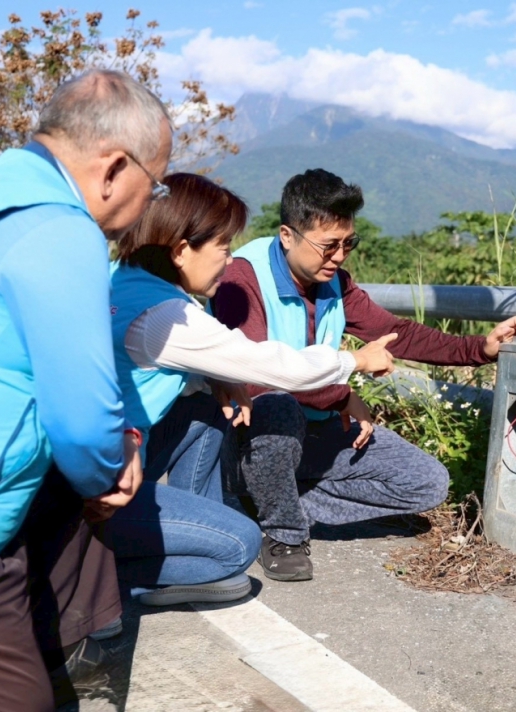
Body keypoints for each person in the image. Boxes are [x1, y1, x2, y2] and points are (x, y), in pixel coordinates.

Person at [0, 69, 172, 710]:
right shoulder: (58, 226)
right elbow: (79, 416)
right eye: (156, 185)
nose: (149, 204)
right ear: (113, 168)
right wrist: (109, 470)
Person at [213, 168, 516, 582]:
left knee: (426, 484)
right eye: (328, 246)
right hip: (251, 431)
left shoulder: (335, 283)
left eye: (349, 243)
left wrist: (480, 349)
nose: (340, 256)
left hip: (313, 430)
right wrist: (341, 395)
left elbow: (400, 335)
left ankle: (265, 500)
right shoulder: (242, 278)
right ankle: (284, 533)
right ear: (287, 235)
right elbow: (255, 376)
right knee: (277, 409)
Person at [107, 172, 397, 606]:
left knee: (208, 405)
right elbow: (273, 364)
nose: (229, 262)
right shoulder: (166, 317)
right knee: (239, 546)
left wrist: (217, 377)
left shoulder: (122, 280)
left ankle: (185, 528)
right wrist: (354, 360)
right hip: (100, 487)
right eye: (223, 247)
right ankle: (97, 578)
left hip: (102, 458)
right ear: (182, 251)